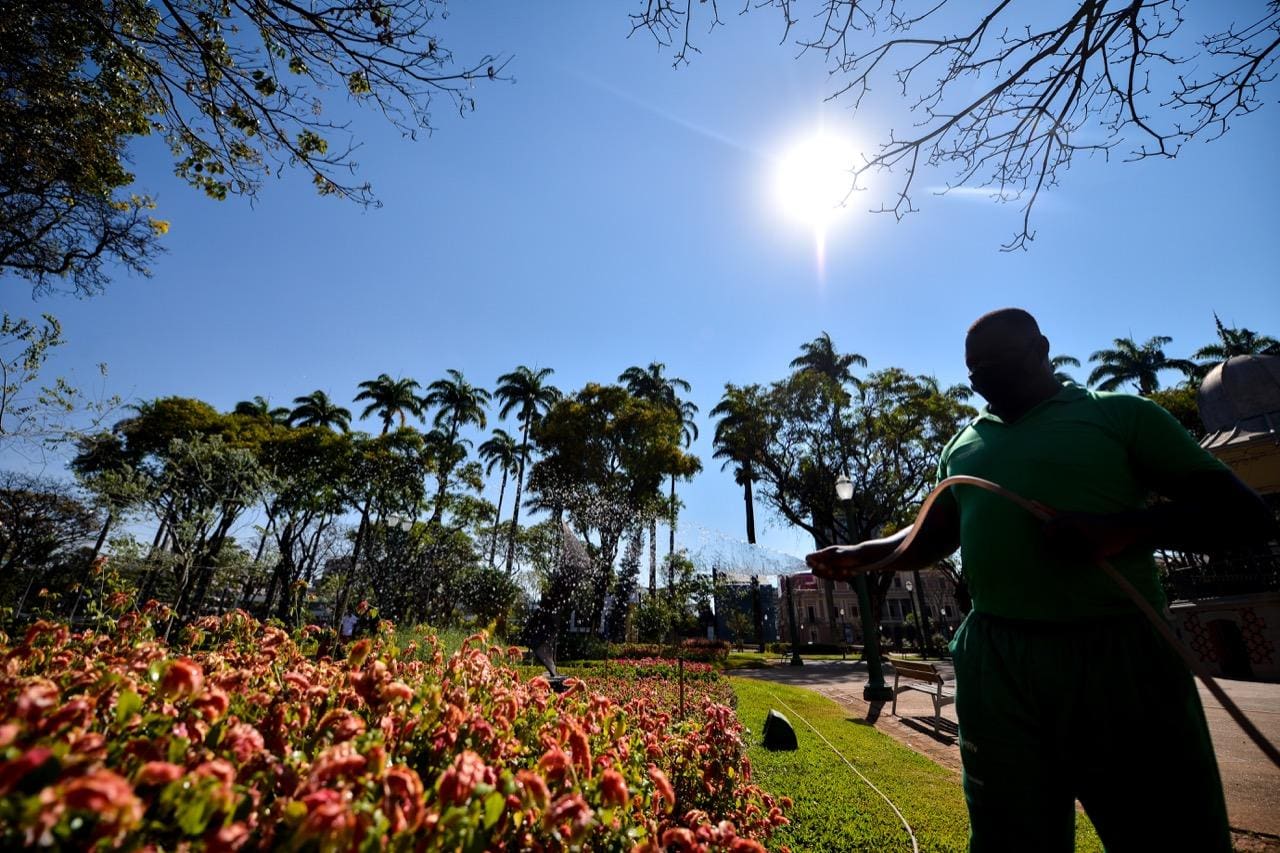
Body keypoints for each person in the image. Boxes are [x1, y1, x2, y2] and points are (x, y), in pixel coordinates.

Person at [807, 308, 1274, 852]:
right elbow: (931, 536)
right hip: (998, 661)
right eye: (974, 369)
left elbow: (1244, 516)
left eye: (998, 362)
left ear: (1042, 349)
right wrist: (862, 554)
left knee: (1165, 829)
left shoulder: (1122, 416)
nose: (984, 378)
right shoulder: (963, 446)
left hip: (1117, 653)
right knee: (1010, 834)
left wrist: (1121, 530)